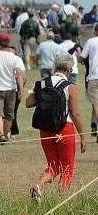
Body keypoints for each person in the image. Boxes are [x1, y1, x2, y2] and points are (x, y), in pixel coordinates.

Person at [27, 54, 87, 199]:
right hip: (64, 129)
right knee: (67, 168)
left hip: (45, 130)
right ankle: (61, 199)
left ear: (54, 66)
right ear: (70, 69)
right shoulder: (70, 87)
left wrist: (34, 93)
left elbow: (28, 103)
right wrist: (83, 136)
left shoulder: (42, 83)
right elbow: (75, 113)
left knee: (53, 165)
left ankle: (38, 185)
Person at [0, 33, 26, 142]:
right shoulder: (15, 58)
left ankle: (2, 134)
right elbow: (19, 74)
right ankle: (6, 135)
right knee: (9, 115)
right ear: (9, 43)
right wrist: (20, 89)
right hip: (11, 89)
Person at [79, 24, 98, 139]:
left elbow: (81, 57)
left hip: (94, 76)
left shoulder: (91, 41)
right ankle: (94, 126)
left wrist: (80, 59)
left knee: (95, 103)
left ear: (95, 31)